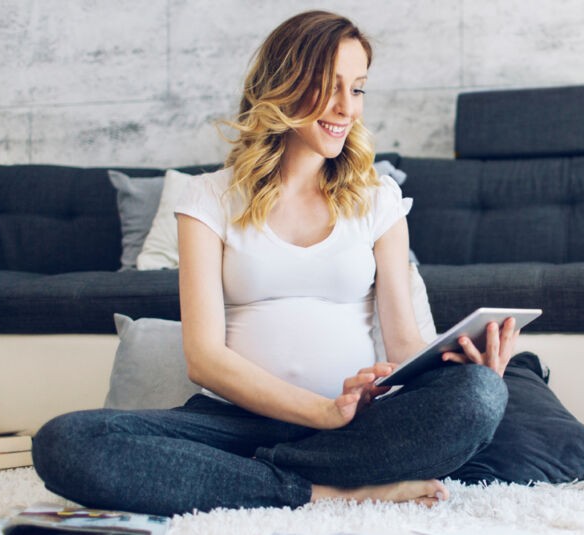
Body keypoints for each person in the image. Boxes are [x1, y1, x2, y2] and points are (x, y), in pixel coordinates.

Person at [32, 10, 520, 516]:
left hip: (355, 430)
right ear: (284, 84)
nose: (346, 107)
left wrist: (462, 365)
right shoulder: (208, 198)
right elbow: (204, 359)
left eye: (357, 89)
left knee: (481, 395)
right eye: (329, 86)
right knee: (65, 442)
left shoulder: (378, 199)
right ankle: (325, 491)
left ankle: (243, 479)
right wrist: (321, 412)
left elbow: (403, 347)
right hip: (232, 424)